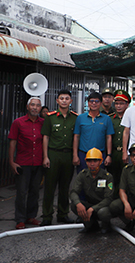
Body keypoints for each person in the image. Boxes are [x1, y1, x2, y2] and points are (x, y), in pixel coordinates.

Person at [40, 89, 78, 226]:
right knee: (49, 186)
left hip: (68, 155)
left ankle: (63, 214)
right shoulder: (50, 117)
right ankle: (47, 216)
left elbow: (76, 138)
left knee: (64, 187)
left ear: (71, 101)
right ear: (57, 100)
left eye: (67, 98)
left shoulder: (75, 117)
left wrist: (74, 155)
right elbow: (45, 137)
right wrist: (45, 156)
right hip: (53, 154)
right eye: (61, 98)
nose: (64, 101)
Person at [8, 97, 44, 229]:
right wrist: (11, 162)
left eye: (38, 105)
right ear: (28, 107)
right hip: (23, 162)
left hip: (38, 162)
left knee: (35, 191)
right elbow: (12, 142)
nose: (35, 107)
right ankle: (20, 219)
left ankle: (31, 216)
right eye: (32, 105)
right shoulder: (18, 122)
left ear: (41, 108)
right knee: (22, 192)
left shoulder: (43, 123)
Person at [69, 148, 113, 233]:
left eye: (95, 161)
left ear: (100, 162)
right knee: (74, 205)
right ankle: (91, 225)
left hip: (102, 207)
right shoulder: (83, 175)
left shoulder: (107, 176)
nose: (92, 164)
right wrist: (78, 204)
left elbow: (108, 199)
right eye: (89, 161)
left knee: (103, 212)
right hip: (90, 205)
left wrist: (93, 208)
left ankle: (106, 226)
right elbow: (74, 191)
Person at [72, 92, 114, 173]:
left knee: (99, 181)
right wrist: (75, 155)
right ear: (88, 103)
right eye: (91, 101)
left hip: (100, 155)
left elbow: (108, 137)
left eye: (97, 101)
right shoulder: (80, 118)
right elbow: (76, 136)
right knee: (82, 180)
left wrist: (109, 155)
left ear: (101, 103)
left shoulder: (106, 119)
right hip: (83, 154)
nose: (94, 103)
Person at [109, 89, 130, 198]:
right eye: (116, 103)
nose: (118, 106)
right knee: (113, 179)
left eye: (121, 103)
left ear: (127, 104)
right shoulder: (110, 119)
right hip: (113, 152)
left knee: (126, 180)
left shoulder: (132, 117)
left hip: (126, 153)